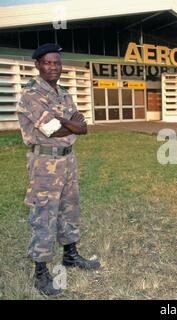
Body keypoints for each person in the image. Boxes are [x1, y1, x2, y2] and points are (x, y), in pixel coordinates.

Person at [17, 43, 100, 296]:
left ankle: (70, 255)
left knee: (69, 208)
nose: (53, 66)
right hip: (44, 164)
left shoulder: (64, 94)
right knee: (44, 215)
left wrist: (63, 122)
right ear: (38, 65)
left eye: (56, 62)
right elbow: (52, 129)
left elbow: (82, 127)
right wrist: (67, 123)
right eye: (47, 62)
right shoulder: (31, 95)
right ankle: (40, 271)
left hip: (68, 160)